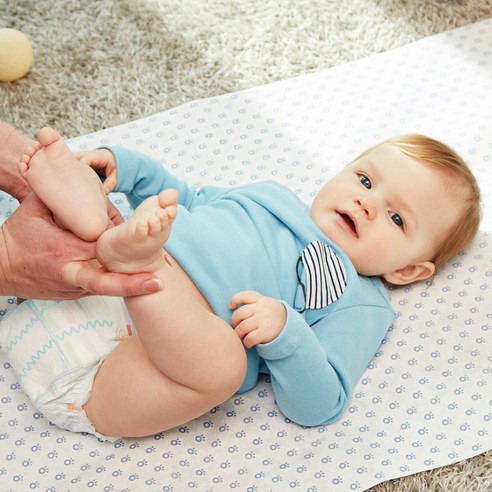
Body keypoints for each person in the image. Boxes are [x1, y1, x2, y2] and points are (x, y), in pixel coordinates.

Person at [0, 127, 481, 441]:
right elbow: (183, 198)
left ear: (408, 271)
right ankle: (77, 201)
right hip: (58, 278)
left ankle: (131, 256)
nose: (366, 205)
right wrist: (128, 168)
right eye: (365, 181)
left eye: (396, 218)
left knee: (222, 366)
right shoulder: (271, 196)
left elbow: (321, 404)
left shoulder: (362, 302)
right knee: (103, 223)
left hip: (113, 365)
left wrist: (288, 334)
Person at [0, 120, 163, 299]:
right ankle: (78, 213)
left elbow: (173, 196)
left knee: (90, 253)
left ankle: (77, 212)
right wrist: (6, 262)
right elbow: (179, 198)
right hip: (142, 265)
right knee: (93, 256)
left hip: (145, 272)